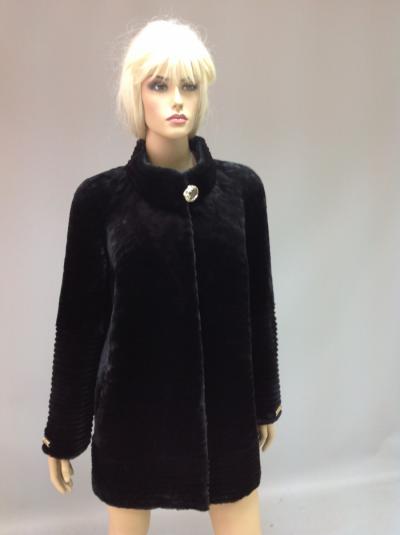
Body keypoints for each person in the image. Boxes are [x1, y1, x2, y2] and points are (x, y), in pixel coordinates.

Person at [41, 17, 282, 535]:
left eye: (188, 85)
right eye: (159, 85)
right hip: (132, 419)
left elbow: (259, 305)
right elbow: (79, 324)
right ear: (137, 94)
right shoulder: (100, 200)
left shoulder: (242, 191)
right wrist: (65, 430)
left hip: (225, 416)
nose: (176, 100)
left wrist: (265, 401)